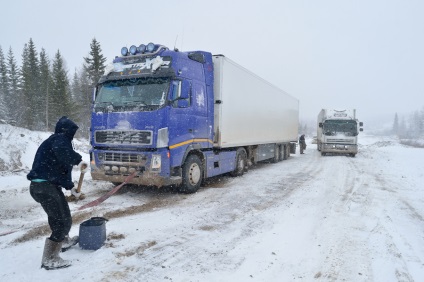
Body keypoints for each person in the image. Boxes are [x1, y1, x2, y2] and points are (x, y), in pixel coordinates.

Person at [27, 116, 88, 270]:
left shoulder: (58, 142)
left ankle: (64, 240)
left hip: (49, 186)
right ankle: (50, 258)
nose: (72, 135)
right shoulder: (59, 139)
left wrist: (71, 188)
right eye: (72, 132)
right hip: (44, 186)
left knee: (64, 215)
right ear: (66, 131)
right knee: (60, 221)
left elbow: (61, 172)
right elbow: (63, 153)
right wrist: (78, 160)